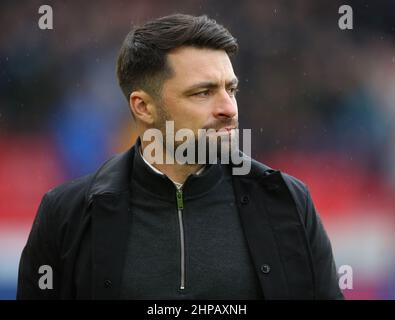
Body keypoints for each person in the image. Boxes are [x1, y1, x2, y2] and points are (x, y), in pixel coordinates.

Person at [17, 14, 343, 300]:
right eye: (203, 92)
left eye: (231, 89)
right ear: (143, 107)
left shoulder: (287, 203)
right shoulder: (67, 215)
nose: (228, 108)